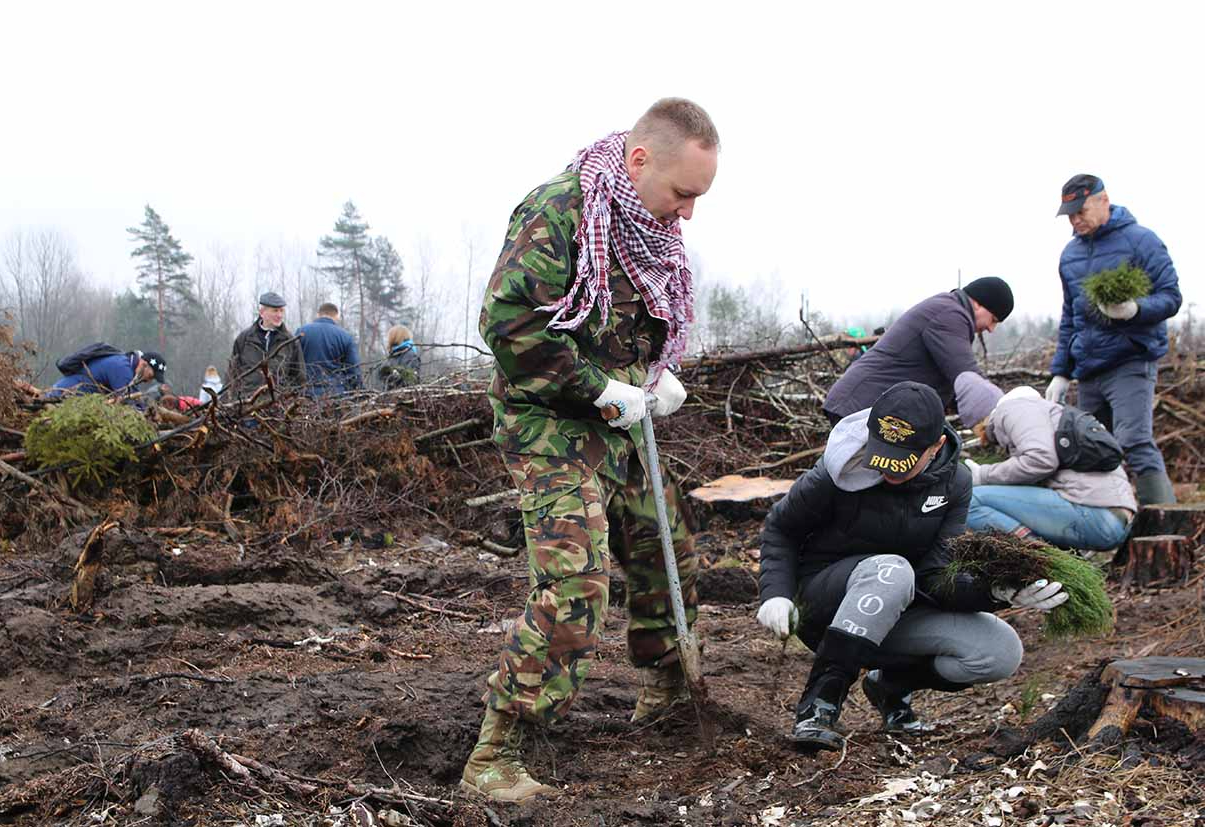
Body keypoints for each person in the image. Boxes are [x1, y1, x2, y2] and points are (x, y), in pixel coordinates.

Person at [462, 97, 719, 803]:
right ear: (640, 160)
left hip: (618, 418)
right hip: (549, 421)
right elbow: (511, 326)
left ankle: (669, 688)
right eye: (683, 193)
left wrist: (654, 377)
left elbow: (632, 325)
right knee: (576, 580)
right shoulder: (560, 212)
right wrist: (599, 387)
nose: (689, 214)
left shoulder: (648, 227)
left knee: (666, 544)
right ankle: (497, 750)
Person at [757, 381, 1066, 751]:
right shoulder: (840, 466)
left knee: (999, 651)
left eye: (902, 462)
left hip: (898, 602)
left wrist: (998, 591)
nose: (888, 472)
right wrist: (775, 594)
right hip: (824, 602)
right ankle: (819, 706)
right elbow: (780, 528)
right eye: (882, 456)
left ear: (935, 447)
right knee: (892, 570)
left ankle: (889, 684)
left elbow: (936, 577)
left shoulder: (956, 483)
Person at [1045, 175, 1182, 505]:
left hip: (1129, 361)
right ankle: (1106, 528)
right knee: (1088, 447)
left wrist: (1134, 310)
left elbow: (1171, 297)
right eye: (1070, 214)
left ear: (1103, 200)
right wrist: (1061, 371)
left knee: (1134, 441)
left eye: (1081, 211)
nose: (1075, 219)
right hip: (1088, 369)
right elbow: (1070, 317)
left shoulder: (1141, 242)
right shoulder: (1070, 255)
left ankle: (1162, 527)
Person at [954, 372, 1136, 550]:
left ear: (980, 419)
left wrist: (982, 475)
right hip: (1108, 514)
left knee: (969, 501)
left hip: (1096, 515)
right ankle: (1052, 558)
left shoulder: (1014, 411)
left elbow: (1041, 459)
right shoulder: (1039, 409)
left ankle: (1040, 560)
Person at [822, 277, 1014, 424]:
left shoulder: (948, 310)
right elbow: (966, 376)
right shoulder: (949, 314)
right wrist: (1009, 411)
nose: (991, 328)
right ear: (979, 303)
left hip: (870, 406)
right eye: (994, 319)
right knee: (868, 474)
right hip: (860, 406)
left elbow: (954, 384)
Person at [224, 292, 306, 398]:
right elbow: (232, 374)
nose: (279, 315)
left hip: (279, 405)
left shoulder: (290, 342)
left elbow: (299, 377)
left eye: (282, 311)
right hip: (247, 404)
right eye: (275, 311)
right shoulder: (244, 339)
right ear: (262, 312)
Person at [47, 346, 167, 399]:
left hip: (71, 401)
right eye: (151, 376)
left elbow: (134, 397)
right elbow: (128, 402)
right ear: (143, 364)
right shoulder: (122, 368)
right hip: (61, 398)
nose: (149, 380)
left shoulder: (127, 367)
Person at [296, 303, 362, 398]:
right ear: (336, 316)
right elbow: (353, 370)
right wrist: (357, 390)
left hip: (306, 393)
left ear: (318, 314)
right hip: (336, 393)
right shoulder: (345, 336)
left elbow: (293, 363)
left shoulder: (301, 332)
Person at [376, 324, 421, 391]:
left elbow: (410, 381)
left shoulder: (410, 355)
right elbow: (380, 376)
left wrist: (393, 376)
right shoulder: (393, 355)